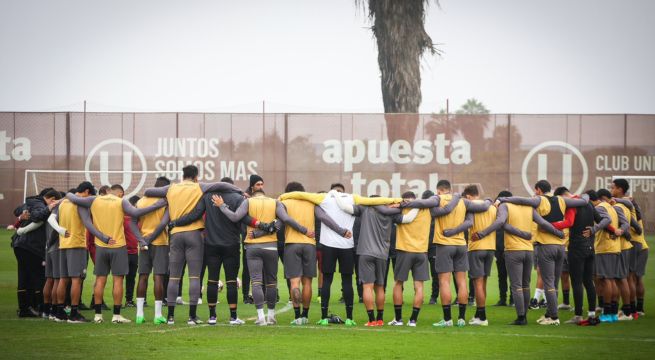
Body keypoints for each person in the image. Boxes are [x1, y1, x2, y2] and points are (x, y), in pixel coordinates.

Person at [278, 185, 401, 326]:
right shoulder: (353, 197)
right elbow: (372, 201)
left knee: (327, 281)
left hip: (328, 245)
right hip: (347, 245)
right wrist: (397, 200)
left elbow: (302, 195)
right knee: (347, 281)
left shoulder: (323, 197)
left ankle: (322, 317)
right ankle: (350, 318)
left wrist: (283, 196)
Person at [144, 165, 242, 325]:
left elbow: (148, 191)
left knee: (174, 277)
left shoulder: (172, 188)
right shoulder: (199, 186)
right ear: (196, 176)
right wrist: (237, 190)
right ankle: (191, 317)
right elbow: (222, 185)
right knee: (195, 277)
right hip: (195, 234)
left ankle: (170, 317)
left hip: (175, 235)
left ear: (183, 175)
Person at [170, 177, 266, 325]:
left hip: (211, 244)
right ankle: (233, 317)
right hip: (231, 245)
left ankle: (212, 316)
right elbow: (244, 218)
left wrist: (176, 222)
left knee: (212, 280)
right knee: (231, 281)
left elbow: (195, 215)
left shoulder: (208, 197)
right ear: (232, 186)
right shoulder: (238, 198)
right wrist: (261, 225)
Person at [66, 185, 166, 324]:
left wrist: (69, 195)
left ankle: (98, 315)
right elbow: (136, 213)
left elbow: (73, 198)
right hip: (118, 245)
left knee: (100, 280)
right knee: (118, 280)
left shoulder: (95, 200)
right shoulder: (121, 202)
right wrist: (157, 205)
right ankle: (116, 316)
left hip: (101, 245)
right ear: (119, 194)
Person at [214, 188, 313, 325]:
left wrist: (222, 206)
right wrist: (304, 230)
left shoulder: (248, 202)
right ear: (264, 195)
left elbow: (235, 217)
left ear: (254, 195)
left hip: (252, 247)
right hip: (271, 247)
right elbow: (283, 220)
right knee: (271, 282)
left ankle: (261, 317)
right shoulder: (275, 202)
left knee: (256, 282)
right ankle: (271, 316)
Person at [498, 180, 588, 325]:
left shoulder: (539, 200)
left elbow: (521, 200)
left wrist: (503, 199)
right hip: (561, 246)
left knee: (548, 283)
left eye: (535, 191)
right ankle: (549, 314)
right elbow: (583, 201)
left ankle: (553, 317)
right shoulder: (561, 200)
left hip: (546, 245)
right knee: (554, 282)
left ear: (538, 190)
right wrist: (585, 197)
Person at [551, 188, 598, 325]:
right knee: (589, 281)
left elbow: (569, 222)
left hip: (577, 248)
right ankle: (591, 314)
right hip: (590, 247)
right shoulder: (589, 204)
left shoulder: (572, 204)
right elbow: (602, 220)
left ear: (563, 196)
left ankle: (578, 315)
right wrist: (594, 229)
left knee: (577, 282)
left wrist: (549, 224)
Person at [12, 188, 61, 318]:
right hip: (30, 246)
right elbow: (37, 216)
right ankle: (37, 307)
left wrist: (21, 215)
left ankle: (25, 308)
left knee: (24, 276)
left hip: (20, 244)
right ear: (51, 199)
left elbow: (17, 210)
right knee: (37, 276)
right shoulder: (39, 204)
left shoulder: (31, 202)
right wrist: (49, 208)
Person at [53, 182, 98, 323]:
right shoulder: (81, 204)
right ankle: (74, 313)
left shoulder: (63, 203)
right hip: (77, 244)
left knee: (63, 279)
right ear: (86, 191)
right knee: (76, 280)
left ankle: (59, 312)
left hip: (63, 244)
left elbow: (52, 219)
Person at [130, 176, 171, 325]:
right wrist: (151, 238)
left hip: (143, 244)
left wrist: (142, 240)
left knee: (143, 276)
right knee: (158, 277)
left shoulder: (140, 201)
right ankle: (157, 315)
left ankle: (139, 315)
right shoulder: (166, 202)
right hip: (159, 242)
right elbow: (163, 224)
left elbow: (132, 222)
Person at [387, 191, 431, 327]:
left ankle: (398, 319)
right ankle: (413, 320)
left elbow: (397, 218)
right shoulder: (428, 210)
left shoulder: (403, 209)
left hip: (405, 251)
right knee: (419, 286)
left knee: (398, 284)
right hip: (422, 252)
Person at [462, 185, 496, 326]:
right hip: (490, 248)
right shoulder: (492, 207)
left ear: (469, 196)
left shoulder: (469, 206)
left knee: (478, 284)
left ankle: (482, 317)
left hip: (476, 247)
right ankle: (478, 314)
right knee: (483, 283)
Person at [611, 179, 645, 319]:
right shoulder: (629, 204)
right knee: (635, 277)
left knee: (627, 277)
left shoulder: (623, 204)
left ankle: (628, 310)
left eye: (613, 187)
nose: (611, 189)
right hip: (639, 243)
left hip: (632, 243)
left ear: (620, 189)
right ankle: (636, 309)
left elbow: (635, 227)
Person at [589, 189, 622, 323]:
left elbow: (605, 222)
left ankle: (608, 313)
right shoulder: (611, 207)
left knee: (607, 280)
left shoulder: (601, 207)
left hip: (605, 247)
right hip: (613, 247)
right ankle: (612, 312)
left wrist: (593, 230)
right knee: (611, 280)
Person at [493, 191, 513, 307]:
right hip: (500, 248)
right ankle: (504, 299)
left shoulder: (512, 212)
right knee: (502, 274)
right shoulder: (496, 212)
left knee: (511, 275)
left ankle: (511, 299)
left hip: (510, 248)